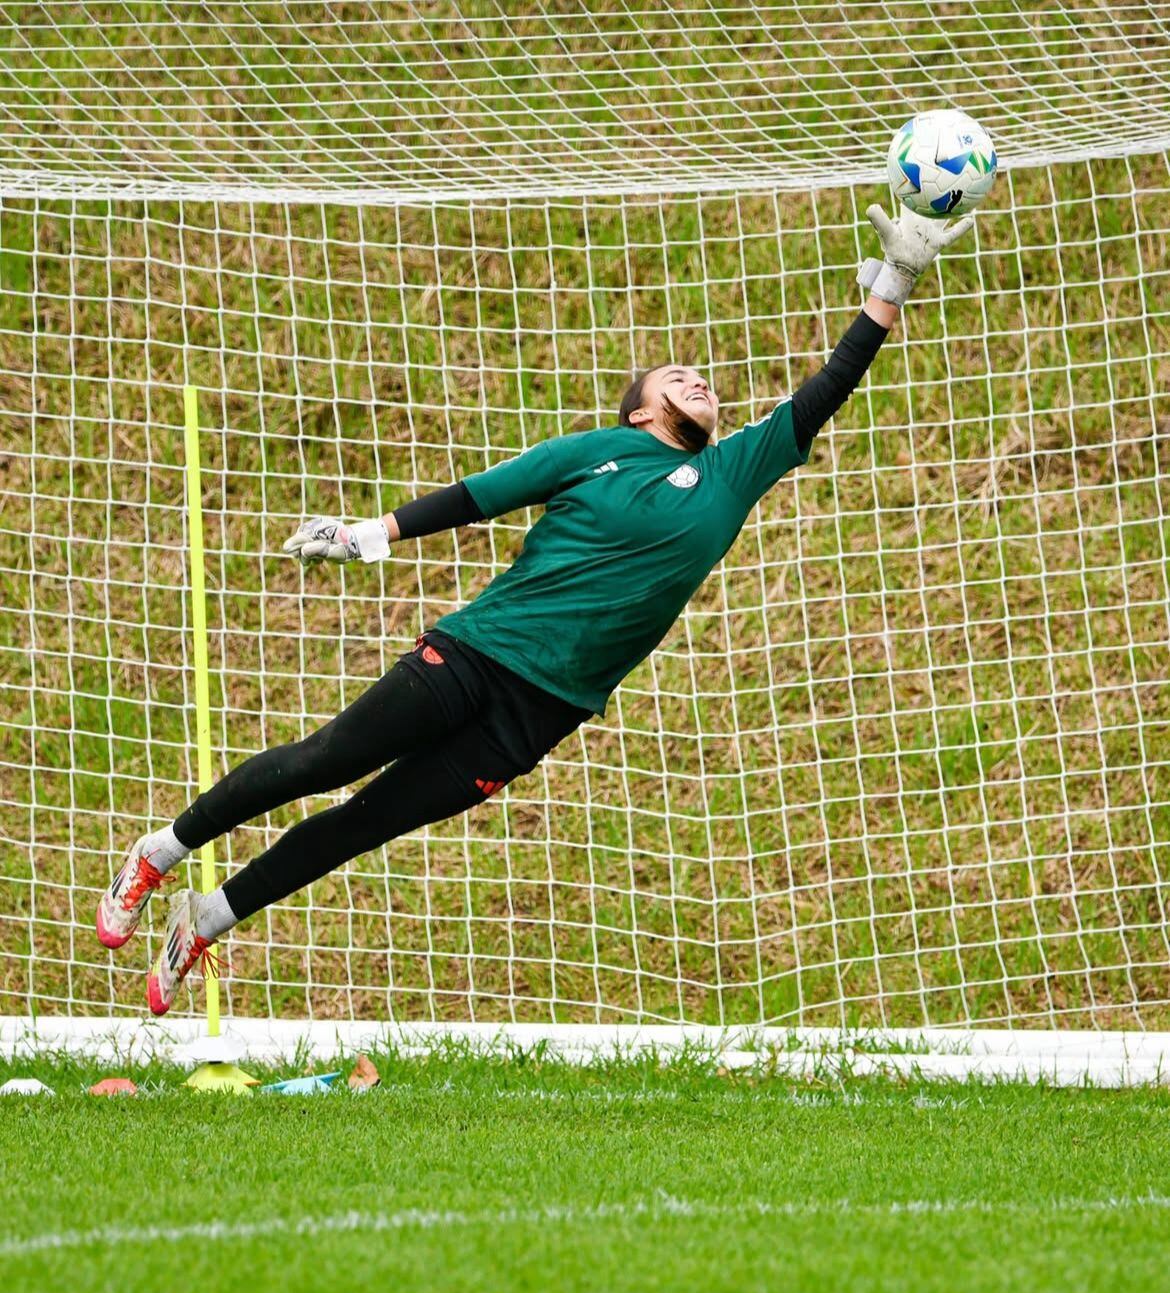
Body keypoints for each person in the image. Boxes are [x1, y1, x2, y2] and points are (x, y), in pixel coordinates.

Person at [96, 204, 973, 1015]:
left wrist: (890, 285)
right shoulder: (601, 451)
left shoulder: (733, 474)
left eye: (706, 380)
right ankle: (160, 851)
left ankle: (208, 916)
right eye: (679, 377)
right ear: (640, 410)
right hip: (476, 655)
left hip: (539, 716)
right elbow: (487, 492)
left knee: (364, 825)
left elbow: (828, 386)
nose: (702, 382)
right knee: (323, 761)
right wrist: (374, 532)